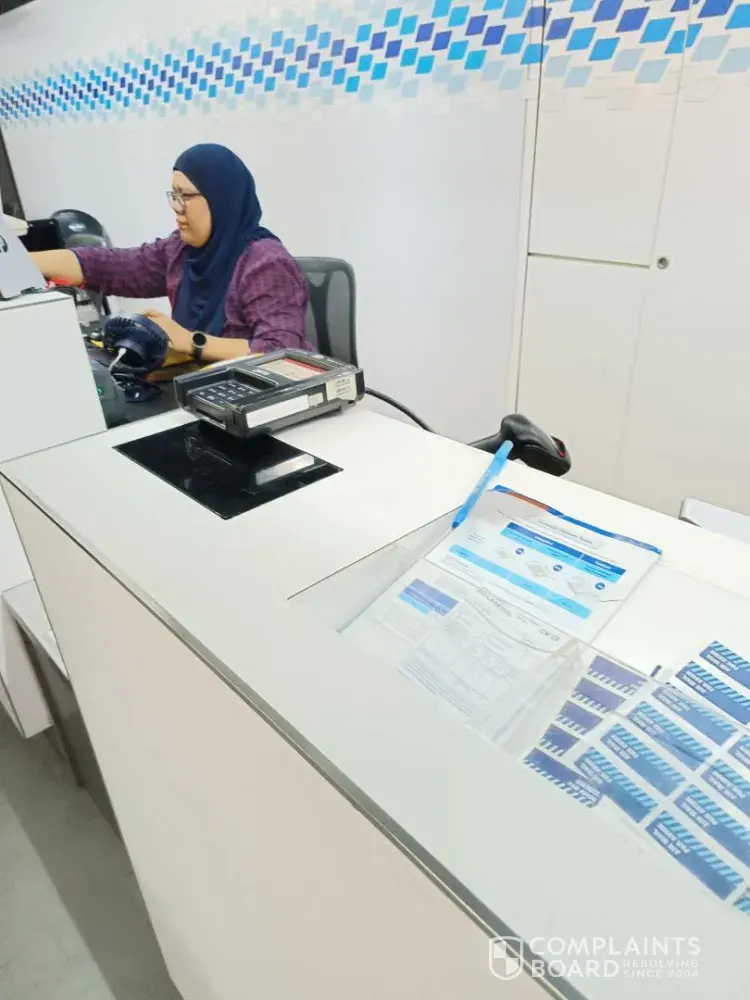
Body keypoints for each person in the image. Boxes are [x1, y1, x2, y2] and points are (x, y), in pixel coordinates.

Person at [32, 144, 312, 363]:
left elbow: (281, 352)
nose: (177, 208)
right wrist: (27, 263)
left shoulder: (265, 263)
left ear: (221, 199)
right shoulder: (182, 250)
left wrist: (192, 342)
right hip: (203, 385)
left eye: (186, 196)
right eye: (174, 196)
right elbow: (113, 267)